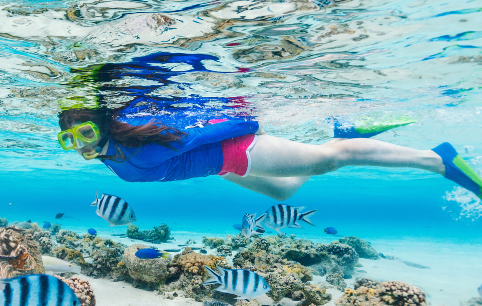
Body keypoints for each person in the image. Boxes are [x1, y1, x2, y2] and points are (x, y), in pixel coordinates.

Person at [57, 105, 482, 201]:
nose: (82, 144)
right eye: (70, 139)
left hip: (241, 151)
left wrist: (249, 123)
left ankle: (439, 158)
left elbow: (201, 135)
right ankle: (346, 132)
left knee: (328, 161)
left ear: (105, 125)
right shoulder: (116, 157)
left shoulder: (139, 145)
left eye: (86, 131)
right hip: (222, 169)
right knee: (285, 194)